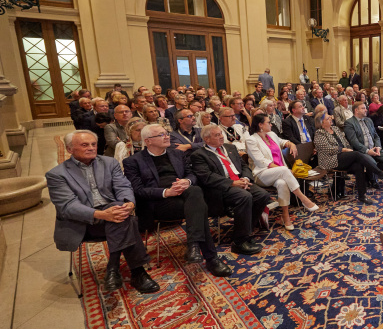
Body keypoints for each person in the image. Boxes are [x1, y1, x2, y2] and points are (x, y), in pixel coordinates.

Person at [46, 130, 159, 294]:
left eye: (93, 144)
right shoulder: (57, 174)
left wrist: (128, 203)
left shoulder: (109, 163)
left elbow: (123, 186)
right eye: (84, 145)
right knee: (127, 220)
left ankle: (114, 269)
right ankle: (137, 272)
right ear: (70, 149)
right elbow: (68, 206)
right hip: (84, 223)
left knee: (122, 215)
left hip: (113, 214)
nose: (91, 148)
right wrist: (102, 214)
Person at [123, 125, 232, 277]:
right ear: (148, 141)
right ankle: (211, 258)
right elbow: (138, 190)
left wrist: (187, 181)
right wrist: (166, 192)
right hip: (159, 203)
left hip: (186, 196)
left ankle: (195, 246)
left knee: (195, 192)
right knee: (198, 207)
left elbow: (191, 174)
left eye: (166, 133)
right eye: (161, 135)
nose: (167, 136)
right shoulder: (133, 161)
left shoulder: (177, 154)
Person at [190, 125, 270, 255]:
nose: (221, 137)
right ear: (207, 139)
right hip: (221, 188)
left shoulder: (230, 148)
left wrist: (245, 178)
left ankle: (246, 230)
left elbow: (244, 166)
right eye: (217, 135)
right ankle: (239, 242)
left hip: (240, 181)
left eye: (221, 133)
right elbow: (207, 177)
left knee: (263, 195)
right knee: (244, 197)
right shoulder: (199, 155)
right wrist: (232, 183)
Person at [245, 114, 318, 230]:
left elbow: (283, 142)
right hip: (262, 174)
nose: (271, 124)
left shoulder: (271, 135)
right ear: (260, 125)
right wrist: (283, 170)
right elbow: (261, 161)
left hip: (279, 173)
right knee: (284, 170)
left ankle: (286, 216)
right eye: (268, 122)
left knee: (282, 183)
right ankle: (303, 198)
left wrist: (291, 144)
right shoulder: (251, 140)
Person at [314, 111, 383, 205]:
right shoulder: (319, 133)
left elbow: (346, 142)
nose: (331, 118)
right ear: (322, 123)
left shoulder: (335, 129)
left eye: (330, 117)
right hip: (329, 160)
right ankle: (379, 173)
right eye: (327, 118)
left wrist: (348, 149)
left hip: (342, 157)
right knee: (357, 154)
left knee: (358, 165)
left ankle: (362, 196)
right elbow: (327, 148)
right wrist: (344, 150)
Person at [344, 102, 383, 185]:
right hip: (361, 151)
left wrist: (378, 146)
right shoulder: (349, 123)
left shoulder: (368, 120)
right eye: (363, 108)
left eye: (365, 108)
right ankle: (374, 179)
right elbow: (354, 141)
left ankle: (369, 175)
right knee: (372, 163)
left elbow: (376, 136)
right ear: (356, 110)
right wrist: (367, 151)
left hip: (374, 148)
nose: (366, 110)